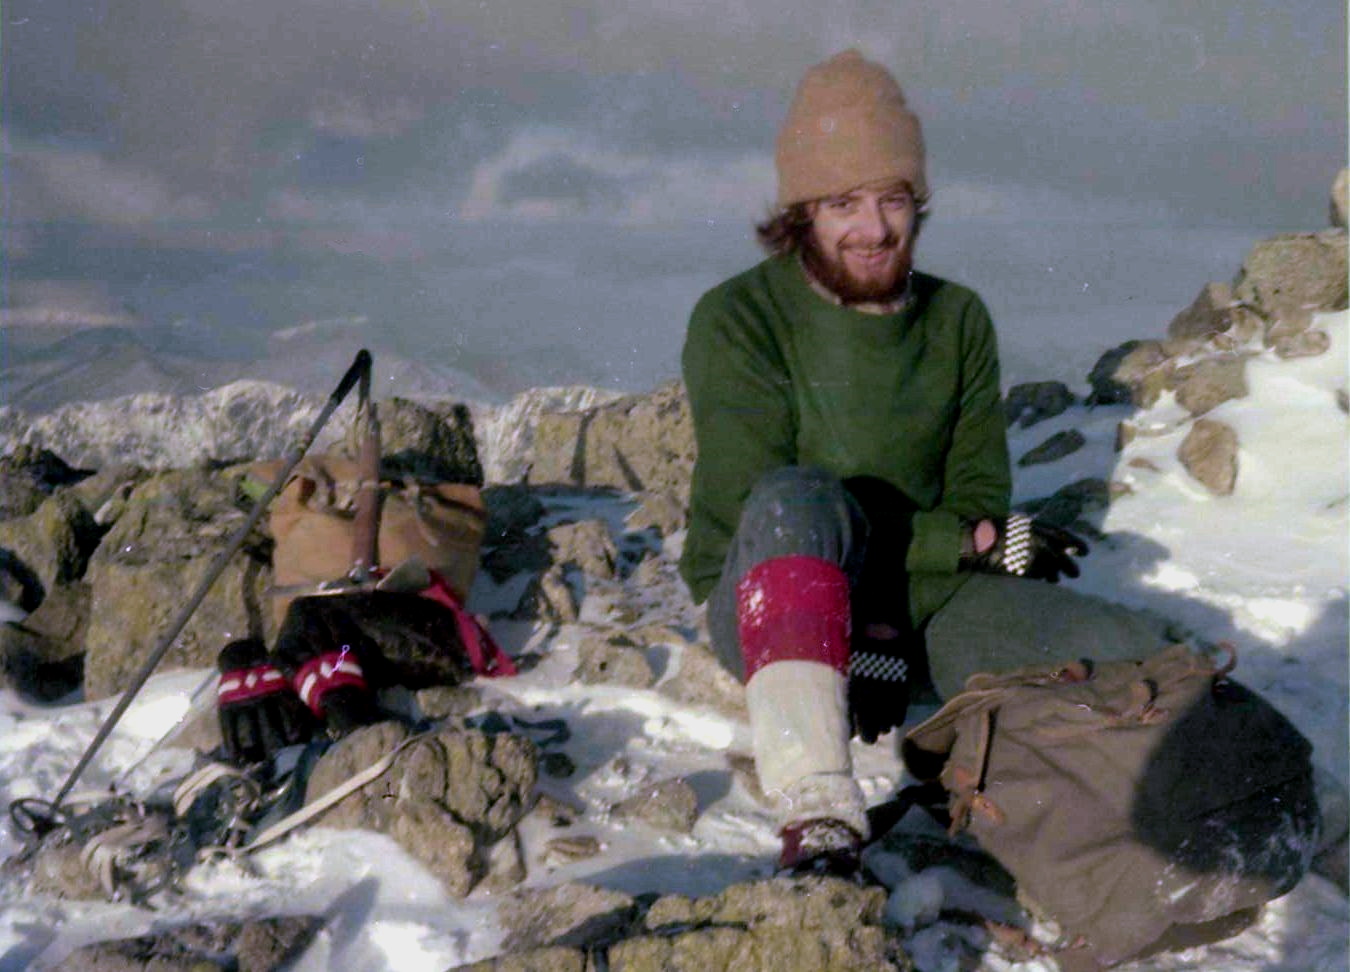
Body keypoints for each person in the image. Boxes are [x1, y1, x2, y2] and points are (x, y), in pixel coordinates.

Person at [679, 49, 1171, 875]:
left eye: (893, 200)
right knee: (800, 495)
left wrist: (907, 599)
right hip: (774, 603)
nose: (873, 228)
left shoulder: (958, 319)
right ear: (801, 209)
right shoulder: (739, 318)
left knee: (1123, 645)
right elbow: (759, 517)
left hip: (925, 604)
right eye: (843, 202)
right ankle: (820, 811)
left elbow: (978, 494)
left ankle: (1282, 812)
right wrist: (964, 548)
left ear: (919, 203)